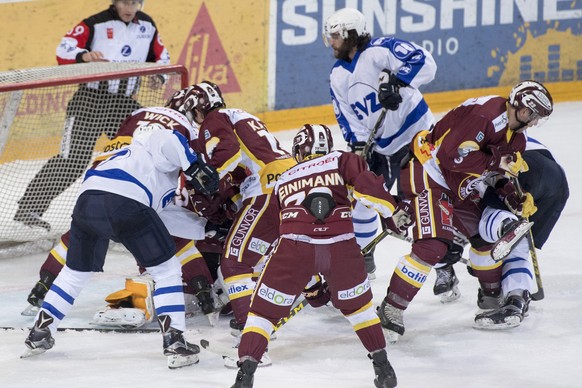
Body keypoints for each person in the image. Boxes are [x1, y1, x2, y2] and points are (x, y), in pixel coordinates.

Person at [21, 103, 219, 369]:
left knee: (74, 273)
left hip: (88, 202)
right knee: (167, 271)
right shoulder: (154, 144)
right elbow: (166, 137)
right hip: (126, 203)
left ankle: (39, 333)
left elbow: (164, 215)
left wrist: (204, 228)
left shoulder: (132, 160)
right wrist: (193, 164)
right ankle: (175, 342)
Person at [230, 124, 412, 388]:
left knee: (262, 315)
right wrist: (392, 211)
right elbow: (367, 189)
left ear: (299, 150)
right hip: (341, 247)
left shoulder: (283, 179)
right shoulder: (342, 159)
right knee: (359, 310)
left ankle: (244, 376)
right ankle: (383, 368)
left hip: (293, 249)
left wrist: (312, 286)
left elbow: (287, 232)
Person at [376, 80, 554, 337]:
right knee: (434, 245)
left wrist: (512, 196)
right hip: (429, 171)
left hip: (460, 184)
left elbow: (494, 173)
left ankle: (491, 299)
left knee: (485, 242)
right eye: (534, 115)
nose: (535, 121)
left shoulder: (517, 139)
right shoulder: (485, 116)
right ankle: (392, 308)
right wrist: (496, 161)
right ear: (522, 109)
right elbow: (449, 156)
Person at [14, 0, 170, 231]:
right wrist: (83, 56)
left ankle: (143, 212)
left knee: (141, 154)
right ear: (115, 2)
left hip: (123, 105)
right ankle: (27, 211)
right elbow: (63, 49)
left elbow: (162, 56)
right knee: (73, 161)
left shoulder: (147, 25)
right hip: (89, 101)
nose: (130, 7)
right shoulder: (95, 23)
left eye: (135, 2)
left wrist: (160, 76)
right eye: (125, 2)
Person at [323, 7, 437, 278]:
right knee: (365, 198)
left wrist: (398, 82)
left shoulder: (382, 49)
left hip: (418, 137)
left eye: (337, 35)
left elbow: (426, 62)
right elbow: (346, 115)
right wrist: (359, 145)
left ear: (353, 33)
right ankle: (362, 259)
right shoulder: (338, 75)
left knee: (428, 200)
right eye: (330, 36)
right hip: (382, 147)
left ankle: (443, 266)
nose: (332, 42)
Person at [186, 82, 296, 344]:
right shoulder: (240, 115)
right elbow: (243, 165)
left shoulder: (215, 118)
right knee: (263, 254)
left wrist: (204, 180)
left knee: (235, 261)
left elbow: (228, 153)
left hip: (267, 189)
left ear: (199, 108)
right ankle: (275, 305)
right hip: (292, 183)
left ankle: (251, 332)